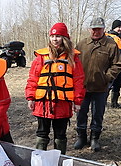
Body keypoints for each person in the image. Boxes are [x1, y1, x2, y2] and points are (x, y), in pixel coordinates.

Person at [25, 23, 85, 154]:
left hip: (62, 103)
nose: (55, 39)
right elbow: (33, 78)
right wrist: (30, 97)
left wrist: (78, 101)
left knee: (60, 134)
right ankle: (39, 160)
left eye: (58, 36)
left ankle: (59, 161)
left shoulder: (73, 58)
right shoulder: (41, 57)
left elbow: (79, 80)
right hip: (43, 103)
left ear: (64, 38)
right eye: (52, 36)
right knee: (42, 133)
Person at [74, 17, 121, 152]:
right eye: (93, 29)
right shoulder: (82, 44)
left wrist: (106, 78)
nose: (96, 31)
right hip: (83, 87)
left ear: (104, 29)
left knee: (98, 113)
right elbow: (74, 63)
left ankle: (95, 138)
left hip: (101, 87)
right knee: (81, 112)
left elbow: (117, 65)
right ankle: (81, 136)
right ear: (90, 29)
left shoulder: (111, 45)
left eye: (99, 29)